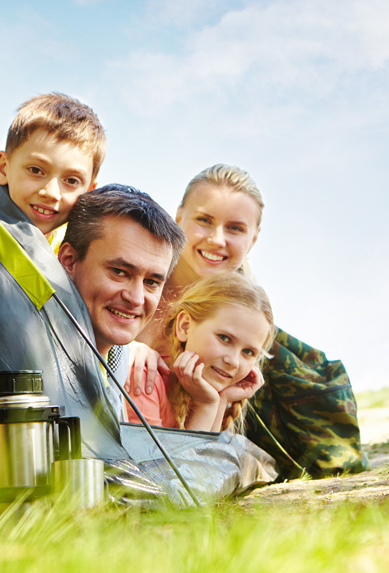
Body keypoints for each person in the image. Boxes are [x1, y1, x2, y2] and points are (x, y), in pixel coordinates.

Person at [128, 164, 366, 478]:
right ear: (178, 218)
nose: (216, 239)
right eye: (203, 220)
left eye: (235, 229)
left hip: (181, 448)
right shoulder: (138, 281)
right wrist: (125, 347)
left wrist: (223, 395)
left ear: (253, 239)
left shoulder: (246, 326)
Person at [58, 184, 185, 421]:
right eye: (119, 271)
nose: (135, 298)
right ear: (69, 260)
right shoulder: (30, 348)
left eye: (151, 282)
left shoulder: (126, 363)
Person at [125, 272, 275, 432]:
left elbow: (208, 455)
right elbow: (161, 458)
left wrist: (221, 401)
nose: (234, 361)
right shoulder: (145, 379)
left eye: (248, 352)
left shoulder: (207, 391)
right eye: (224, 338)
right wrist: (206, 407)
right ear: (185, 326)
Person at [0, 92, 104, 244]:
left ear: (88, 193)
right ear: (3, 168)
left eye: (71, 181)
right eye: (35, 170)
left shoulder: (72, 261)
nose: (51, 193)